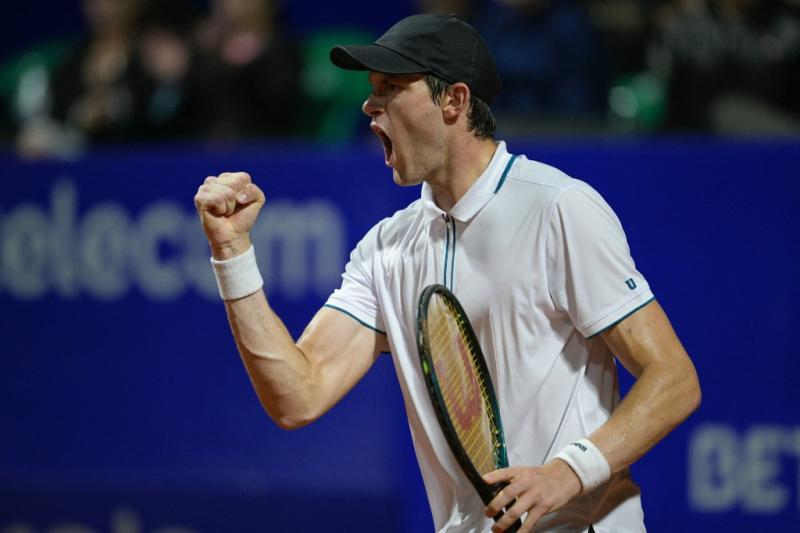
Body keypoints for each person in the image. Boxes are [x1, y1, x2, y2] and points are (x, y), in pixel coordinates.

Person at [194, 14, 701, 533]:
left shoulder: (558, 209)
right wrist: (232, 255)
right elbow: (296, 396)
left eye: (391, 88)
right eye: (372, 91)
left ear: (454, 101)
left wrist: (567, 471)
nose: (369, 105)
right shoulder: (386, 249)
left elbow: (674, 380)